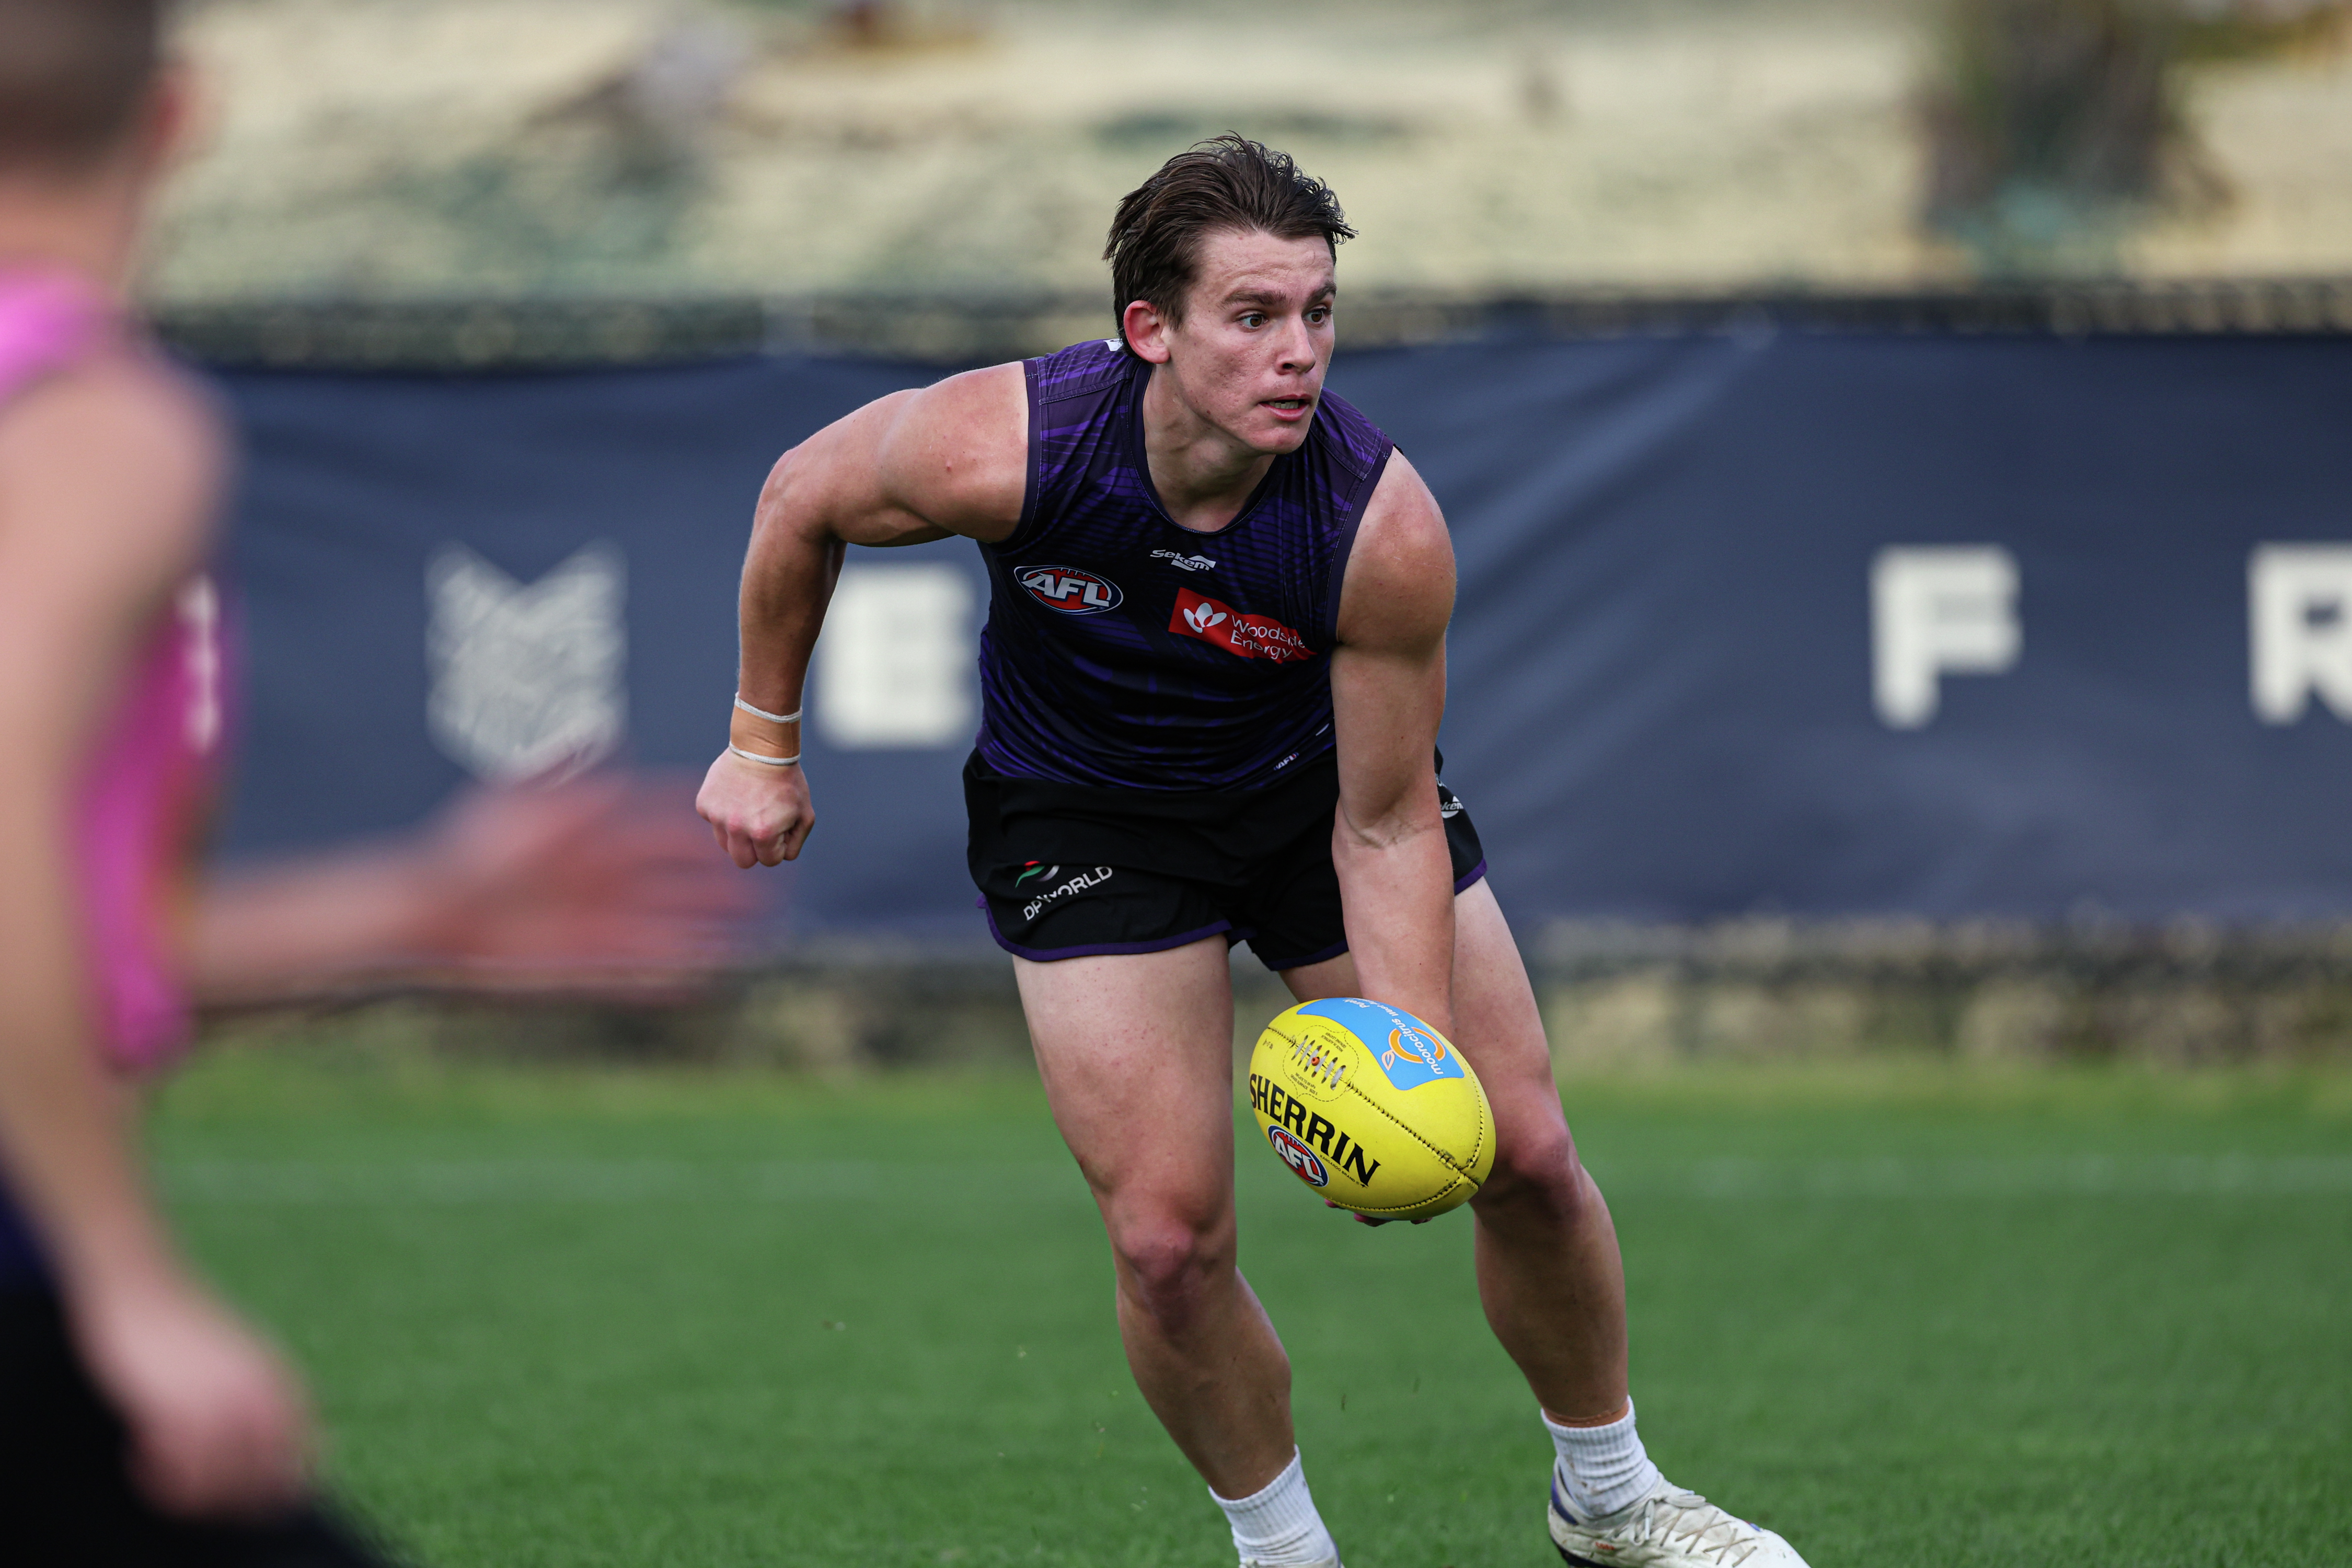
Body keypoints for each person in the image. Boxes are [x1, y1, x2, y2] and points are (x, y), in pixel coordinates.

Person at [698, 135, 1807, 1568]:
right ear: (1146, 330)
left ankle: (1610, 1496)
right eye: (1253, 316)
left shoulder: (1375, 526)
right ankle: (1285, 1554)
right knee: (1166, 1247)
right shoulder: (1010, 444)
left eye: (1317, 314)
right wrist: (760, 743)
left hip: (1309, 802)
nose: (1298, 353)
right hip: (1084, 816)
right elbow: (801, 494)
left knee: (1518, 1151)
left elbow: (1387, 814)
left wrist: (1400, 1061)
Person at [0, 3, 745, 1560]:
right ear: (172, 121)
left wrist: (410, 906)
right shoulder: (84, 421)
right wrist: (124, 1280)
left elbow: (71, 923)